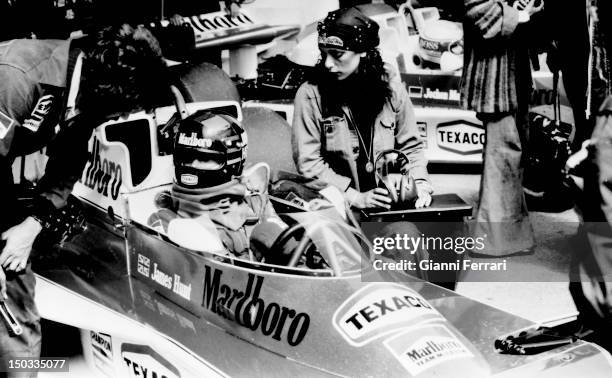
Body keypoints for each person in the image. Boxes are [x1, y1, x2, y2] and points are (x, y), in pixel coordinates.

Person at [0, 24, 169, 373]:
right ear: (107, 90)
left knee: (15, 295)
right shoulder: (17, 80)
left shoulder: (88, 87)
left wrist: (31, 226)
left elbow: (67, 161)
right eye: (123, 109)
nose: (122, 117)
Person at [291, 7, 432, 280]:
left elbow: (411, 146)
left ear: (363, 52)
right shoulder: (310, 94)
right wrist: (354, 196)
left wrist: (420, 182)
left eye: (338, 55)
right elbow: (308, 164)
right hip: (337, 214)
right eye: (325, 55)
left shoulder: (390, 85)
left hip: (384, 214)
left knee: (407, 240)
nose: (329, 64)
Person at [147, 109, 296, 263]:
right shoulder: (166, 220)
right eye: (187, 158)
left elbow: (296, 261)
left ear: (233, 163)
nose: (194, 165)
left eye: (205, 159)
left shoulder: (257, 204)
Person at [461, 0, 545, 256]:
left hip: (510, 68)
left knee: (509, 153)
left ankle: (508, 236)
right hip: (495, 70)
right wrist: (520, 15)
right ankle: (493, 240)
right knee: (502, 152)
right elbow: (475, 8)